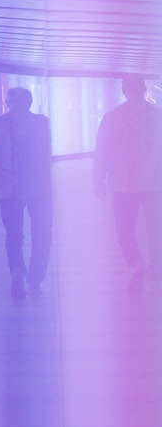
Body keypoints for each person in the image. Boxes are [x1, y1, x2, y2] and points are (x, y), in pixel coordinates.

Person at [0, 86, 54, 299]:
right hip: (38, 187)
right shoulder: (42, 123)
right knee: (42, 231)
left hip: (8, 188)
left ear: (7, 103)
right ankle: (35, 277)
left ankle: (17, 271)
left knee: (14, 235)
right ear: (30, 102)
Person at [94, 76, 160, 294]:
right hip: (154, 182)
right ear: (143, 89)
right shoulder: (157, 116)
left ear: (124, 90)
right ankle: (156, 270)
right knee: (156, 229)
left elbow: (101, 150)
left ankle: (137, 263)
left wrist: (98, 179)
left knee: (124, 229)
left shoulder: (112, 118)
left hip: (124, 183)